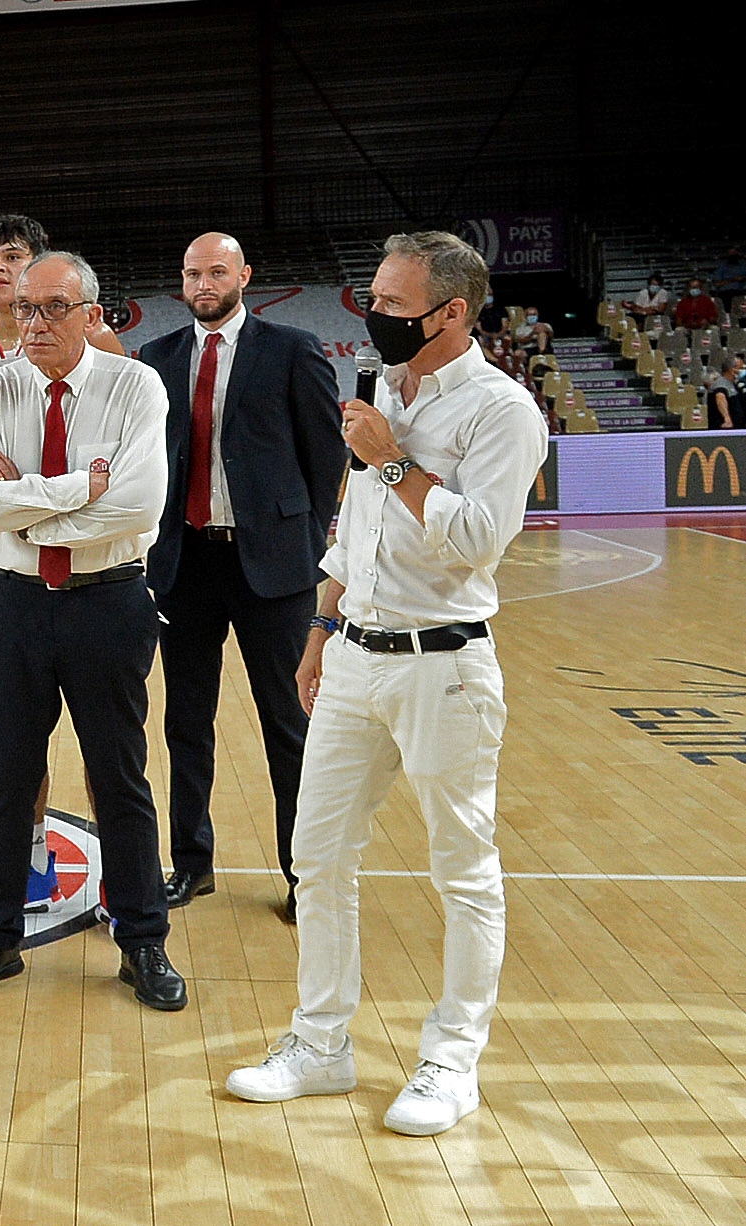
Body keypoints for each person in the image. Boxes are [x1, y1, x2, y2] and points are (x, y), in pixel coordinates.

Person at [226, 230, 546, 1138]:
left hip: (444, 664)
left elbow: (478, 538)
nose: (374, 319)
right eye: (370, 299)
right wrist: (322, 624)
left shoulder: (501, 409)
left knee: (462, 869)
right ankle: (321, 1045)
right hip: (355, 655)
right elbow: (354, 526)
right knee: (317, 855)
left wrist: (392, 461)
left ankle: (451, 1059)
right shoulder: (381, 389)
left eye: (393, 307)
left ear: (451, 313)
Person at [0, 251, 184, 1011]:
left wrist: (22, 492)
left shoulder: (133, 385)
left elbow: (138, 507)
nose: (33, 323)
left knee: (119, 776)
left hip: (107, 601)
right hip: (13, 601)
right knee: (8, 777)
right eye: (23, 309)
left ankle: (141, 940)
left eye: (52, 308)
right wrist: (80, 487)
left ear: (90, 314)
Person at [139, 233, 344, 925]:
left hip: (272, 565)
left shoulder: (291, 349)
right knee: (185, 723)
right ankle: (191, 864)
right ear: (182, 279)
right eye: (192, 273)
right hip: (184, 563)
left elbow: (324, 455)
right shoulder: (157, 359)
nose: (203, 284)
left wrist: (307, 537)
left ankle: (302, 874)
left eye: (216, 272)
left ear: (244, 276)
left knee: (287, 724)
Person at [0, 213, 132, 914]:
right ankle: (34, 859)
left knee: (100, 729)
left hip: (88, 555)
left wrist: (30, 489)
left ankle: (117, 874)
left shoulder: (96, 341)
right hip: (3, 564)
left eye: (10, 256)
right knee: (12, 728)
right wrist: (21, 493)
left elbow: (115, 458)